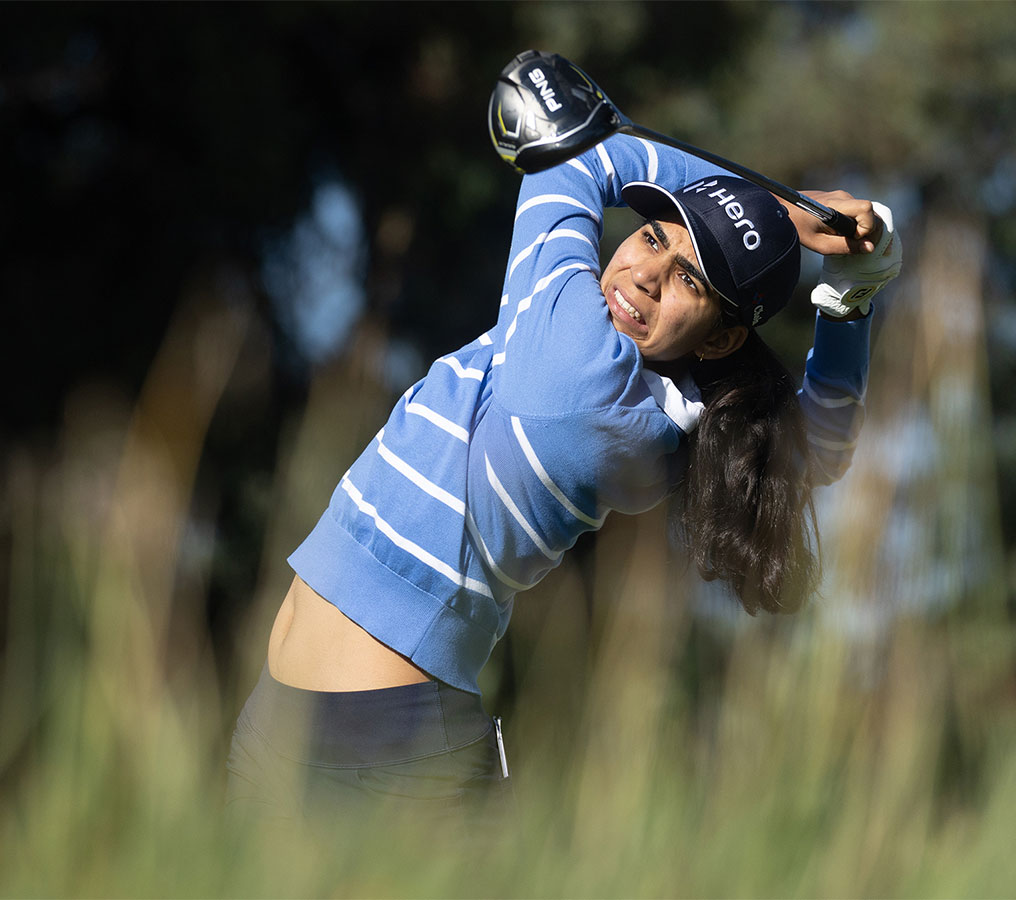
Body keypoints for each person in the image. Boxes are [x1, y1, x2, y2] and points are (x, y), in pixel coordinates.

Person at [224, 132, 902, 836]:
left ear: (722, 339)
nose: (645, 274)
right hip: (282, 722)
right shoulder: (674, 412)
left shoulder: (578, 372)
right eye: (649, 236)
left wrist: (782, 211)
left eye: (690, 280)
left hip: (379, 755)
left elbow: (578, 161)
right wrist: (852, 296)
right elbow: (817, 447)